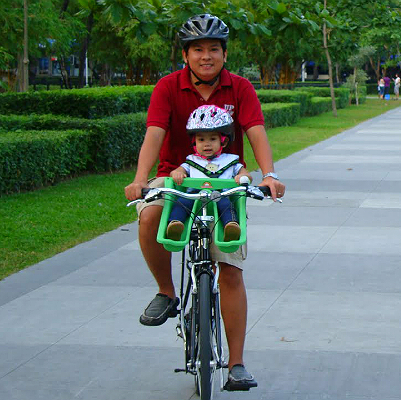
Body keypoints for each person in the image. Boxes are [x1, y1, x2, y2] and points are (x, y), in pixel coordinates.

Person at [124, 13, 285, 391]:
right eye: (198, 49)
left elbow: (256, 131)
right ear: (186, 55)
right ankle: (167, 293)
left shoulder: (240, 88)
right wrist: (140, 180)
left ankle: (236, 365)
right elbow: (154, 133)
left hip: (226, 182)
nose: (206, 56)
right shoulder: (167, 87)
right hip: (176, 178)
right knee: (150, 218)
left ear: (224, 54)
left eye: (214, 48)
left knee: (229, 267)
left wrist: (269, 174)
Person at [166, 105, 252, 242]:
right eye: (201, 140)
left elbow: (245, 174)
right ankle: (175, 225)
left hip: (220, 195)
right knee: (182, 203)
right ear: (194, 142)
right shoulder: (191, 161)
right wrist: (177, 173)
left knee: (226, 206)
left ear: (223, 141)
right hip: (195, 195)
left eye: (212, 139)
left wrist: (243, 176)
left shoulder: (230, 160)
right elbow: (179, 170)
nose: (207, 144)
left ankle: (231, 227)